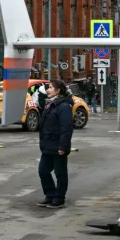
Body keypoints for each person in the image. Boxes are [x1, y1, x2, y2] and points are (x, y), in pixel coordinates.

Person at [37, 78, 73, 208]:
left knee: (60, 174)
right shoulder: (50, 104)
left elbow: (66, 128)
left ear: (58, 91)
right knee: (43, 171)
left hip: (58, 146)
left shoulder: (64, 106)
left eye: (51, 87)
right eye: (48, 87)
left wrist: (63, 146)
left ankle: (59, 198)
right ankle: (50, 194)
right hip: (47, 146)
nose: (48, 90)